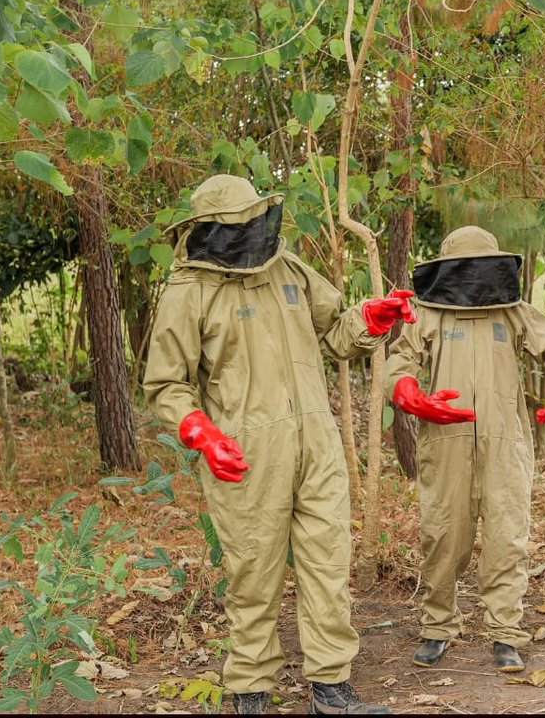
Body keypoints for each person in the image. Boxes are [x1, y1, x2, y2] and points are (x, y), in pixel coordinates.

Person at [144, 174, 414, 715]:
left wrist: (370, 319)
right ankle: (250, 691)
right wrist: (201, 432)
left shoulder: (288, 269)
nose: (248, 230)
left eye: (253, 218)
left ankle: (332, 690)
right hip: (244, 454)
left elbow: (335, 332)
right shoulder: (188, 292)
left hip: (317, 443)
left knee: (328, 565)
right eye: (236, 224)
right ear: (209, 229)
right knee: (253, 574)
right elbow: (166, 384)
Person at [379, 225, 545, 673]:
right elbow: (400, 360)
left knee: (506, 539)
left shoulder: (512, 312)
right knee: (442, 537)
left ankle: (505, 633)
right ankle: (437, 627)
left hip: (504, 442)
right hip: (446, 442)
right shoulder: (429, 314)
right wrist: (406, 391)